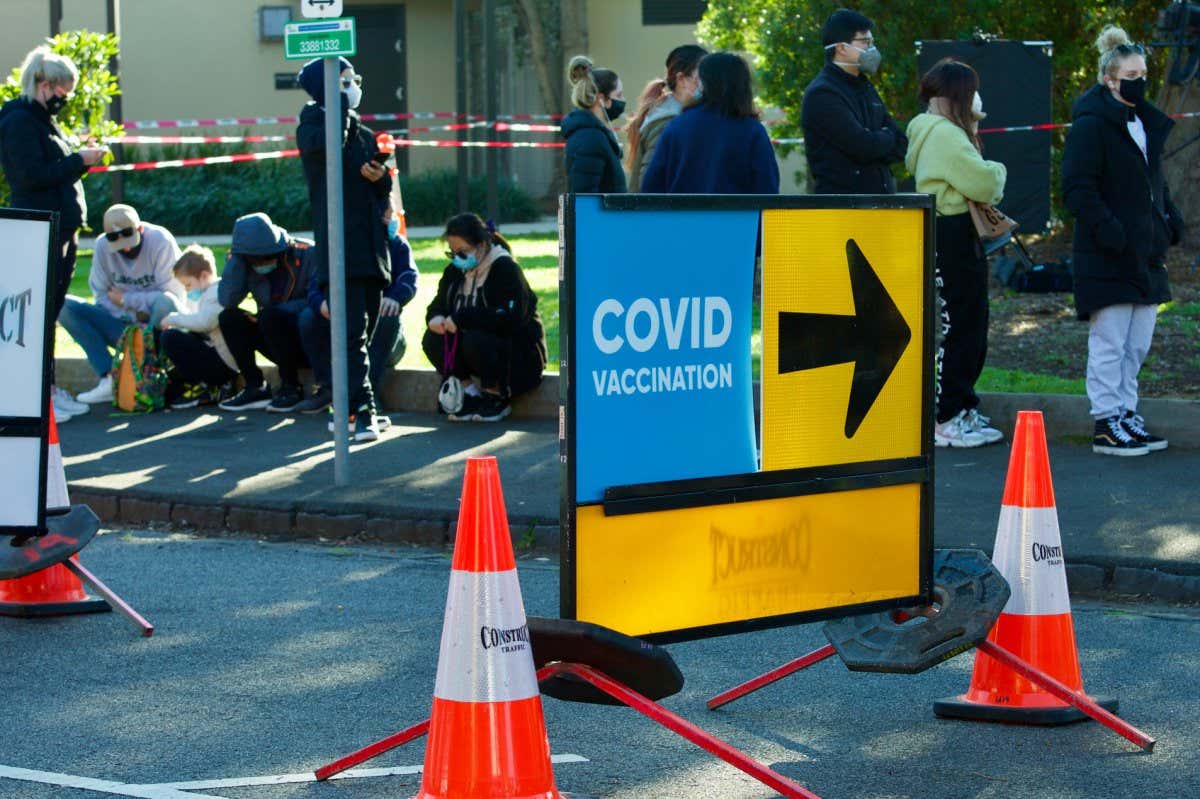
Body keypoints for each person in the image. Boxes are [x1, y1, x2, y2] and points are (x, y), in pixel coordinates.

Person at [1062, 25, 1182, 457]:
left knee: (1137, 344)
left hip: (1146, 251)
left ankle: (1126, 413)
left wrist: (1170, 218)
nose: (1141, 79)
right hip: (1108, 253)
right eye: (1132, 73)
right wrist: (1109, 229)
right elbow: (1077, 188)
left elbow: (1153, 181)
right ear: (1110, 80)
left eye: (1144, 71)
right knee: (1110, 341)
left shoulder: (1142, 122)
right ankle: (1106, 421)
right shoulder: (1091, 126)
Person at [0, 45, 107, 421]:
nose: (66, 98)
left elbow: (49, 171)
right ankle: (39, 395)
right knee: (41, 315)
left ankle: (47, 389)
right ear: (43, 84)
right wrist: (79, 160)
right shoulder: (19, 122)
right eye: (62, 90)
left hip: (59, 228)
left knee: (50, 311)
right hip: (42, 230)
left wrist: (78, 161)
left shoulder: (41, 120)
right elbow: (30, 177)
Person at [906, 59, 1007, 448]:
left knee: (967, 323)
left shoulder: (930, 129)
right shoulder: (944, 135)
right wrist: (996, 169)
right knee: (965, 326)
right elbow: (984, 181)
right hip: (952, 232)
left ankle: (960, 407)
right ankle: (947, 416)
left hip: (947, 230)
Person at [296, 56, 393, 441]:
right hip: (341, 248)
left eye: (354, 80)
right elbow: (330, 147)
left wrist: (379, 178)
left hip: (371, 250)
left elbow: (379, 191)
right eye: (344, 82)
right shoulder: (313, 125)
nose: (353, 88)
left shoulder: (364, 132)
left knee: (363, 335)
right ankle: (362, 411)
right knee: (351, 335)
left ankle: (350, 406)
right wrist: (335, 105)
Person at [298, 199, 418, 415]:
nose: (388, 220)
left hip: (383, 333)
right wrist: (321, 303)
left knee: (387, 315)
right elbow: (316, 285)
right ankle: (328, 388)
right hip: (345, 325)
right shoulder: (341, 247)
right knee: (309, 318)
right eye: (384, 215)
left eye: (390, 215)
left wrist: (395, 298)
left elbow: (409, 278)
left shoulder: (397, 245)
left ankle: (368, 391)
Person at [423, 214, 547, 422]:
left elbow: (510, 318)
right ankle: (469, 392)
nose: (457, 258)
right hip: (476, 350)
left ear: (481, 246)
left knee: (476, 338)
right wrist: (435, 318)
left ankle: (496, 395)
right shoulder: (454, 271)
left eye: (462, 252)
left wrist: (464, 318)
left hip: (517, 353)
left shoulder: (505, 269)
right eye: (452, 253)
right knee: (432, 339)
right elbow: (438, 305)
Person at [59, 204, 183, 405]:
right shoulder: (101, 246)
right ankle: (109, 378)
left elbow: (174, 295)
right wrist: (132, 313)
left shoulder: (161, 241)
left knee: (165, 301)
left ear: (140, 229)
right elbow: (101, 295)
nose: (125, 248)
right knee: (64, 306)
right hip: (123, 325)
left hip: (156, 328)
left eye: (129, 240)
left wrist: (127, 300)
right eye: (116, 242)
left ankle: (147, 372)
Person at [216, 212, 316, 413]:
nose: (262, 263)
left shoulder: (308, 253)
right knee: (229, 317)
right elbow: (227, 299)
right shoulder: (243, 262)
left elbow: (319, 301)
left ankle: (291, 388)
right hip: (274, 339)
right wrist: (236, 261)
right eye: (256, 260)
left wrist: (275, 313)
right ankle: (255, 387)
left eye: (267, 257)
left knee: (271, 316)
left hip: (308, 342)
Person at [640, 52, 780, 194]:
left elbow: (651, 187)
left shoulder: (676, 127)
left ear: (703, 84)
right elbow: (768, 189)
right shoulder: (753, 131)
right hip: (736, 216)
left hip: (683, 215)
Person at [801, 8, 907, 194]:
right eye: (865, 42)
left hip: (879, 205)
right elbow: (862, 146)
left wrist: (879, 139)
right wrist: (885, 137)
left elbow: (901, 143)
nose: (872, 49)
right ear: (841, 47)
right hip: (845, 209)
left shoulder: (865, 86)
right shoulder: (822, 93)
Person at [158, 245, 237, 408]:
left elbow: (204, 322)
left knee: (170, 338)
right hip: (218, 355)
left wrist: (173, 319)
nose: (187, 290)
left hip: (225, 363)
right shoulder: (207, 295)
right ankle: (196, 384)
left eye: (188, 285)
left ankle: (207, 387)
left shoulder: (215, 294)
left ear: (204, 276)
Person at [626, 44, 707, 192]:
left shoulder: (674, 116)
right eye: (701, 77)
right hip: (658, 214)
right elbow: (649, 184)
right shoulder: (666, 123)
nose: (706, 84)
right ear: (681, 79)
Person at [561, 55, 627, 193]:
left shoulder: (594, 134)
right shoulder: (591, 139)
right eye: (619, 95)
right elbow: (585, 197)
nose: (623, 100)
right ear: (601, 99)